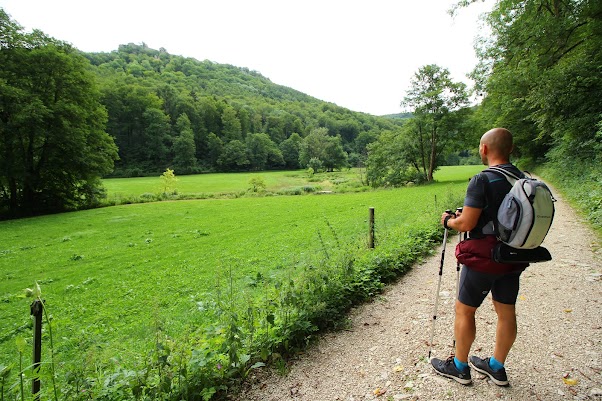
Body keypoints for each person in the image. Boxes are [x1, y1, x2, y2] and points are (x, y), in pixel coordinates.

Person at [430, 127, 527, 386]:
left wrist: (449, 221)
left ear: (484, 149)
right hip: (515, 256)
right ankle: (496, 367)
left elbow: (466, 223)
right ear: (511, 149)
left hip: (484, 258)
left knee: (465, 311)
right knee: (506, 312)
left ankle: (460, 367)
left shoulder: (482, 179)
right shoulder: (523, 179)